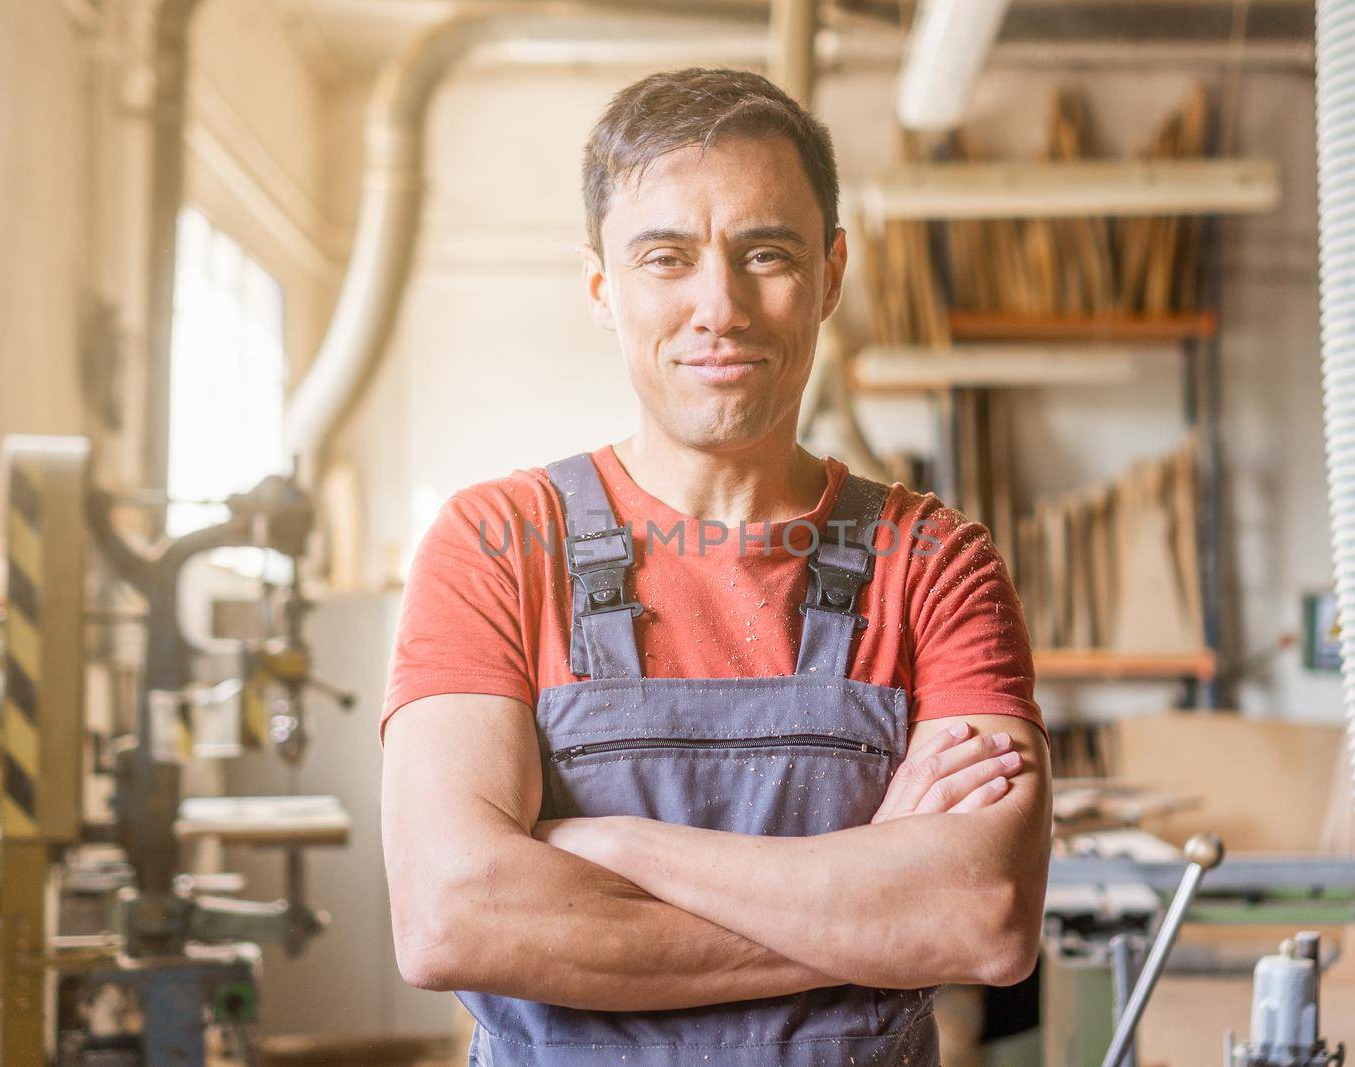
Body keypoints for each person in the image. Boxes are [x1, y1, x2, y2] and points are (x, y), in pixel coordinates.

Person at [379, 67, 1051, 1066]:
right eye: (666, 258)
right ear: (602, 285)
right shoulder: (497, 542)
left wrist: (609, 848)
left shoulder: (934, 561)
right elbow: (452, 918)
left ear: (829, 274)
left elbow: (981, 916)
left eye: (765, 252)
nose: (719, 306)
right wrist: (863, 907)